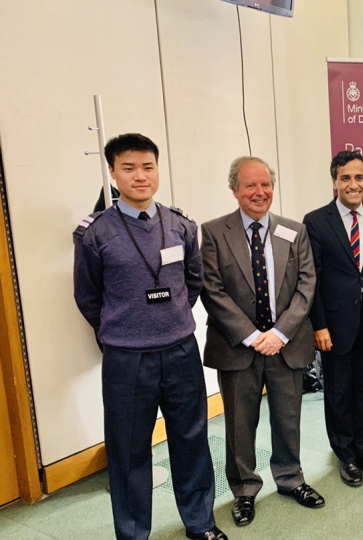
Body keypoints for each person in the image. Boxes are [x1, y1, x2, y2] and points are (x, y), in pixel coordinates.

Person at [73, 134, 226, 540]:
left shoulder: (180, 224)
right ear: (112, 172)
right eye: (129, 168)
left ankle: (200, 523)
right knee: (129, 451)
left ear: (157, 169)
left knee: (191, 439)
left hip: (180, 351)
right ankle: (133, 533)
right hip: (127, 359)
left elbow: (192, 283)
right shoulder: (96, 233)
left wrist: (169, 319)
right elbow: (88, 296)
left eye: (148, 166)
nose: (140, 176)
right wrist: (121, 329)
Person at [200, 157, 324, 528]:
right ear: (235, 190)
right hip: (238, 346)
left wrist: (280, 333)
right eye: (250, 185)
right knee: (240, 423)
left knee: (288, 418)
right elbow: (212, 290)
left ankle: (290, 479)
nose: (259, 192)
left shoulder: (294, 231)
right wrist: (253, 336)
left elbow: (307, 285)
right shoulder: (213, 232)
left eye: (266, 184)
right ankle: (244, 490)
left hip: (287, 344)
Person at [302, 150, 363, 487]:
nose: (353, 184)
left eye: (359, 177)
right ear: (334, 182)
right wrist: (319, 325)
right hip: (335, 324)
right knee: (338, 392)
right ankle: (345, 454)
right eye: (346, 178)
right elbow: (311, 278)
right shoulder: (316, 221)